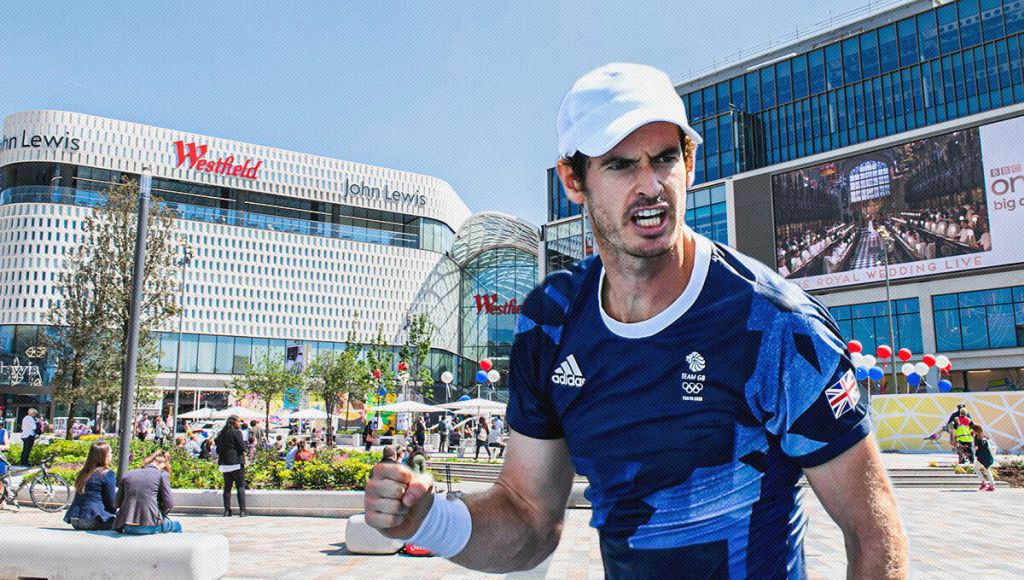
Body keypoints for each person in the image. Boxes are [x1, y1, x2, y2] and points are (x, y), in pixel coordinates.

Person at [363, 63, 908, 578]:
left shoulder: (777, 325)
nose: (650, 185)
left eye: (664, 159)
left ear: (689, 163)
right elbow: (528, 518)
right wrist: (429, 520)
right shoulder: (551, 324)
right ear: (573, 180)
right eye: (621, 165)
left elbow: (873, 529)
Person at [115, 450, 181, 534]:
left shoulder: (129, 474)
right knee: (177, 525)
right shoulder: (162, 475)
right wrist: (161, 512)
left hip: (126, 526)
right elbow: (170, 504)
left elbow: (116, 503)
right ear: (164, 464)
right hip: (150, 525)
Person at [64, 442, 117, 530]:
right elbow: (111, 503)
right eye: (110, 453)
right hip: (94, 519)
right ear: (104, 455)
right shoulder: (107, 474)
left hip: (75, 519)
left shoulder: (83, 473)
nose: (111, 455)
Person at [215, 415, 247, 517]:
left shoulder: (221, 433)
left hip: (225, 463)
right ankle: (242, 510)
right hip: (236, 462)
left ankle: (227, 510)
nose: (240, 424)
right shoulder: (237, 432)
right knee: (240, 486)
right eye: (238, 422)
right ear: (234, 423)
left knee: (227, 487)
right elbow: (242, 448)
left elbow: (218, 449)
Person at [972, 424, 997, 491]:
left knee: (981, 469)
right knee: (983, 469)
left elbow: (976, 447)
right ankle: (987, 484)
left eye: (973, 429)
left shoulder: (976, 437)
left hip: (981, 456)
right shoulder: (984, 436)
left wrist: (973, 447)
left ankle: (989, 484)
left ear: (975, 430)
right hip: (987, 455)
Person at [0, 422, 9, 509]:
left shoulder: (3, 432)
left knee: (2, 479)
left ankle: (1, 501)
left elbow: (7, 446)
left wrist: (1, 447)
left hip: (0, 457)